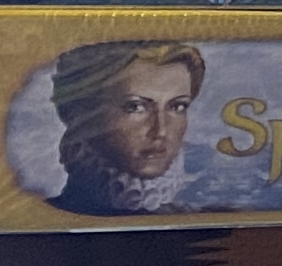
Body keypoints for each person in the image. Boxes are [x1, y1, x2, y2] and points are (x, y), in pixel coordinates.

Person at [43, 38, 202, 215]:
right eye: (135, 107)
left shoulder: (200, 218)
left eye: (177, 106)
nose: (160, 131)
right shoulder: (42, 220)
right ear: (78, 113)